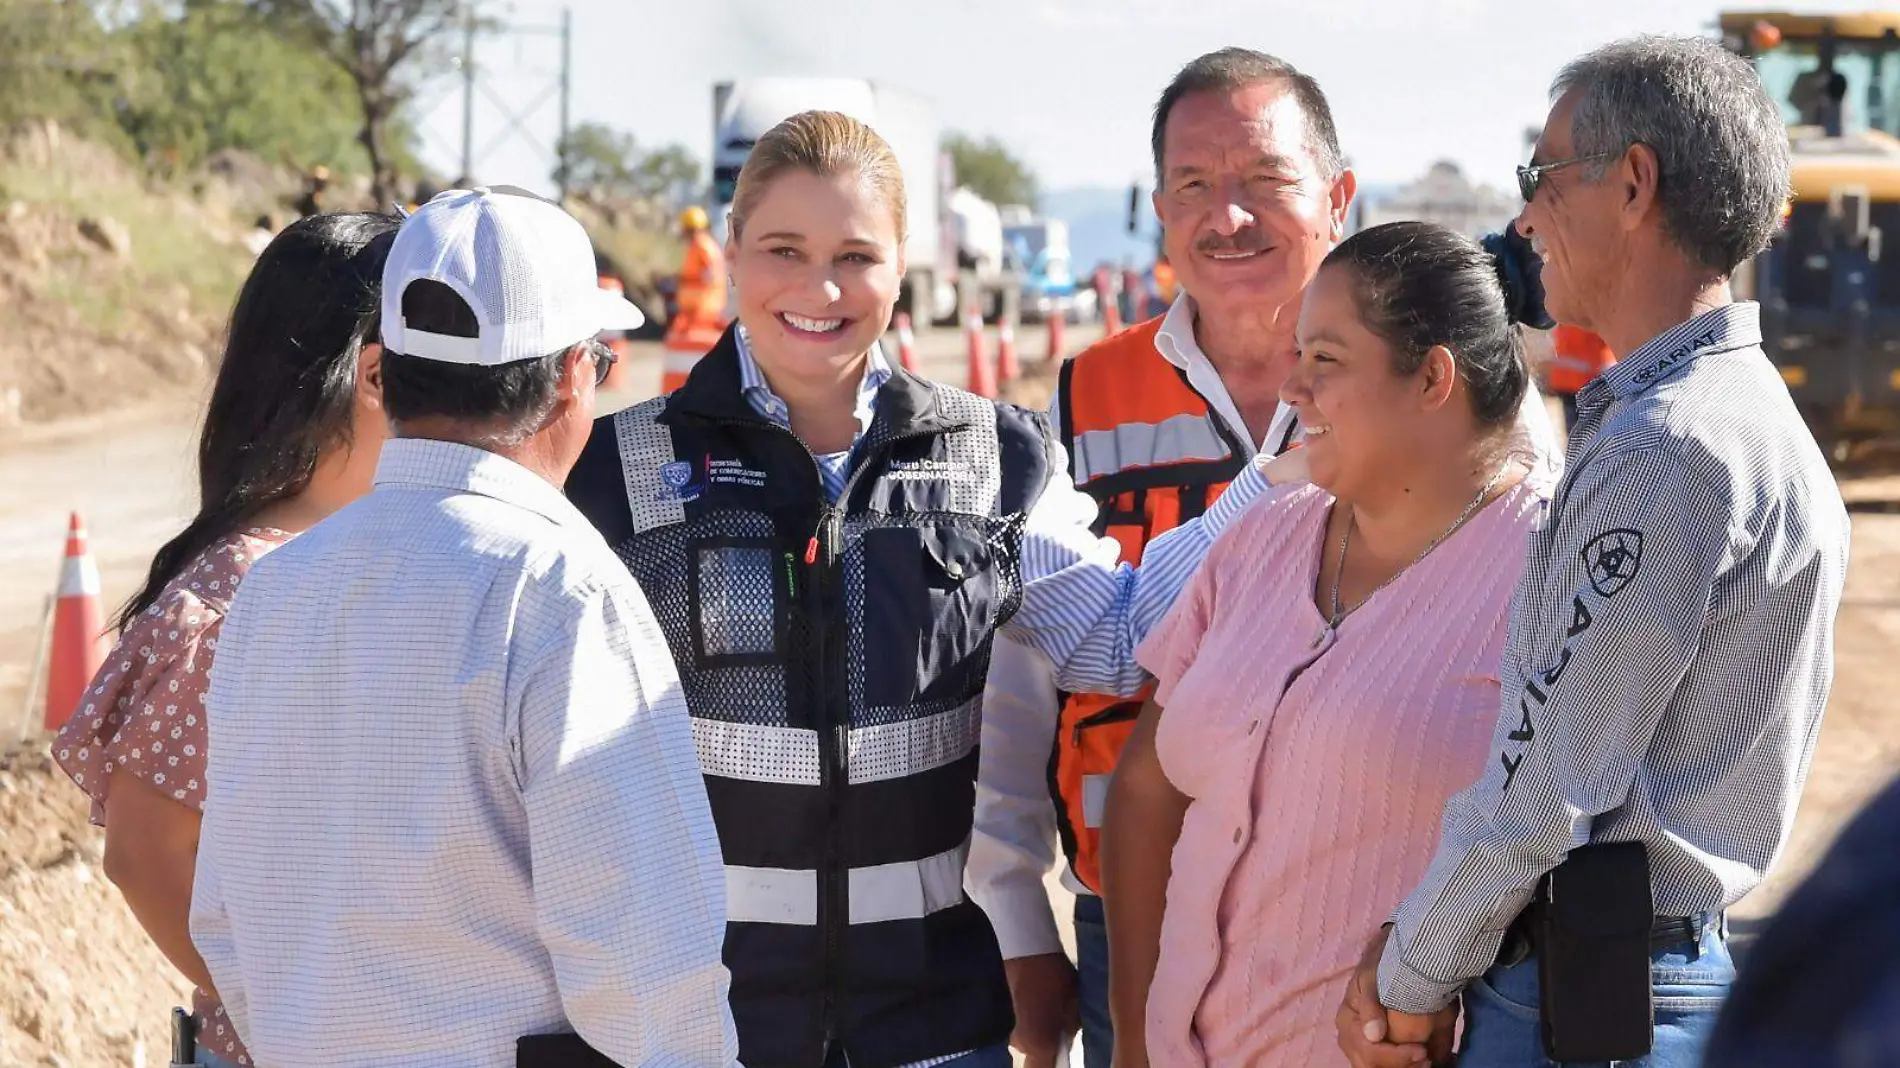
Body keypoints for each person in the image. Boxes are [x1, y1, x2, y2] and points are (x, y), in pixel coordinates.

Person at [564, 110, 1272, 1068]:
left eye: (856, 255)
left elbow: (1118, 641)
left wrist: (1275, 486)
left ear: (906, 266)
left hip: (934, 1032)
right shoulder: (616, 469)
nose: (820, 288)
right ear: (731, 250)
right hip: (699, 1032)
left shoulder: (999, 457)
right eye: (784, 249)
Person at [968, 50, 1563, 1068]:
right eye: (1194, 186)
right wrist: (1016, 919)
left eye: (1262, 181)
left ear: (1338, 195)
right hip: (1133, 914)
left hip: (1382, 968)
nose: (1225, 216)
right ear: (1156, 207)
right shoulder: (1083, 395)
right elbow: (1021, 673)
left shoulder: (1489, 428)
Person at [1338, 35, 1850, 1068]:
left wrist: (1407, 979)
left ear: (1632, 185)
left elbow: (1542, 791)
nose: (1526, 216)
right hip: (1635, 983)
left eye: (1540, 176)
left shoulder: (1667, 449)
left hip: (1586, 1005)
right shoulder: (1737, 423)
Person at [189, 187, 738, 1068]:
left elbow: (228, 919)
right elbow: (648, 969)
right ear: (571, 377)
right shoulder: (562, 589)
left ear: (385, 371)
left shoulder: (273, 591)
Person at [1100, 221, 1559, 1068]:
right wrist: (1132, 1034)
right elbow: (1145, 790)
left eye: (1325, 361)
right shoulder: (1259, 538)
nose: (1292, 390)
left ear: (1431, 377)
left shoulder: (1552, 578)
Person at [50, 211, 398, 1068]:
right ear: (377, 376)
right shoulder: (245, 592)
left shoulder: (361, 554)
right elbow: (145, 853)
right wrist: (283, 1016)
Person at [663, 204, 731, 392]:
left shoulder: (702, 245)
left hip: (701, 310)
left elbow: (710, 275)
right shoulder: (701, 245)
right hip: (697, 309)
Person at [1545, 322, 1615, 429]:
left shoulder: (1565, 321)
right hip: (1586, 383)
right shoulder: (1593, 321)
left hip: (1568, 382)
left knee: (1575, 428)